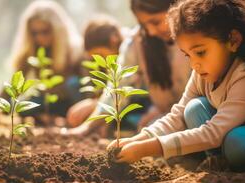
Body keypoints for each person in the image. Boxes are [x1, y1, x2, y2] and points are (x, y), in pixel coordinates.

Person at [107, 0, 245, 173]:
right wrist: (138, 139)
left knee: (236, 142)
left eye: (200, 52)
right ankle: (218, 161)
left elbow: (213, 133)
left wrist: (147, 148)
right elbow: (177, 114)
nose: (194, 64)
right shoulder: (202, 72)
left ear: (233, 41)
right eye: (188, 55)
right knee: (194, 108)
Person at [65, 0, 191, 137]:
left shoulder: (194, 33)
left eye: (155, 22)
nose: (151, 31)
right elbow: (118, 88)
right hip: (166, 116)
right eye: (143, 25)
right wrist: (87, 127)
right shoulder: (135, 43)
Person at [6, 0, 83, 117]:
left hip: (71, 102)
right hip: (46, 102)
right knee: (21, 106)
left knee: (72, 83)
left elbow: (83, 86)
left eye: (45, 31)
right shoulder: (31, 51)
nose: (40, 37)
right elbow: (14, 82)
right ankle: (47, 117)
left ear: (57, 29)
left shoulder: (74, 49)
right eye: (34, 33)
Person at [66, 15, 124, 127]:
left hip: (124, 104)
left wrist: (96, 104)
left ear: (114, 41)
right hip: (105, 103)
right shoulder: (95, 64)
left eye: (101, 55)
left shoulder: (129, 53)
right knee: (73, 83)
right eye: (94, 58)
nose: (98, 61)